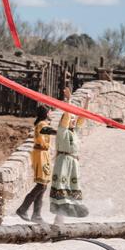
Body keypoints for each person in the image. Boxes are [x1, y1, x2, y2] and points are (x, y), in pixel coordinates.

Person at [49, 87, 89, 222]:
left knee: (73, 184)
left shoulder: (74, 132)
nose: (73, 119)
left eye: (74, 118)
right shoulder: (62, 131)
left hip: (73, 162)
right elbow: (67, 114)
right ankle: (61, 209)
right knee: (62, 183)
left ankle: (71, 208)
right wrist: (69, 100)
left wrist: (87, 101)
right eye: (71, 118)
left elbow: (82, 117)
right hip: (64, 160)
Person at [15, 105, 55, 223]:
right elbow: (46, 130)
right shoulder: (42, 124)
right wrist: (61, 131)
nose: (51, 113)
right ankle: (23, 209)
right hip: (40, 155)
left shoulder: (43, 124)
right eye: (50, 111)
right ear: (46, 113)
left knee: (43, 185)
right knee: (41, 185)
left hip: (44, 154)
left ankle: (36, 215)